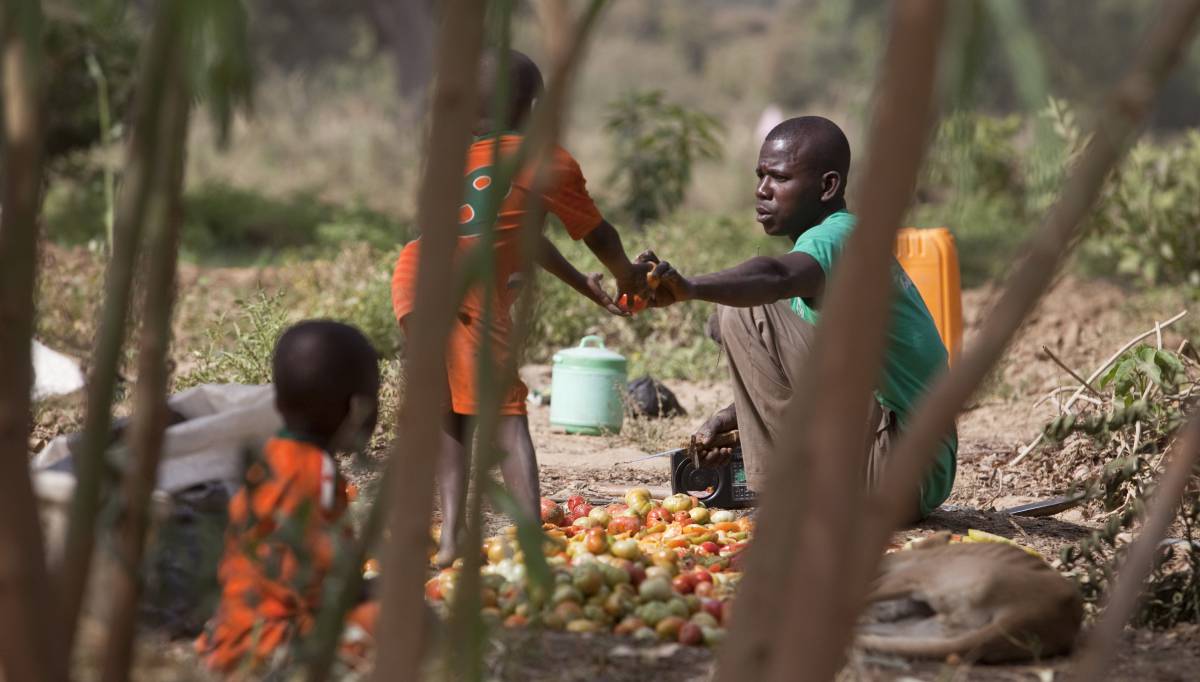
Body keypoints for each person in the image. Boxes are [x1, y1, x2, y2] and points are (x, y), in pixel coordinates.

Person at [390, 49, 649, 565]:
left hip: (414, 279)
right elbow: (599, 233)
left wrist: (584, 286)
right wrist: (626, 276)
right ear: (533, 108)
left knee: (450, 409)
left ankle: (452, 538)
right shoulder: (544, 159)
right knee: (507, 416)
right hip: (469, 289)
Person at [641, 116, 956, 520]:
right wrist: (732, 416)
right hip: (908, 473)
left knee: (744, 308)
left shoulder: (840, 236)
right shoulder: (827, 262)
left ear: (828, 186)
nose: (761, 190)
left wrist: (691, 287)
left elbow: (775, 277)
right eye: (760, 175)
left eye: (779, 178)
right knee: (742, 312)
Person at [196, 320, 381, 675]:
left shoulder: (268, 460)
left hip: (230, 633)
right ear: (358, 409)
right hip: (274, 647)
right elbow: (325, 583)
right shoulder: (316, 474)